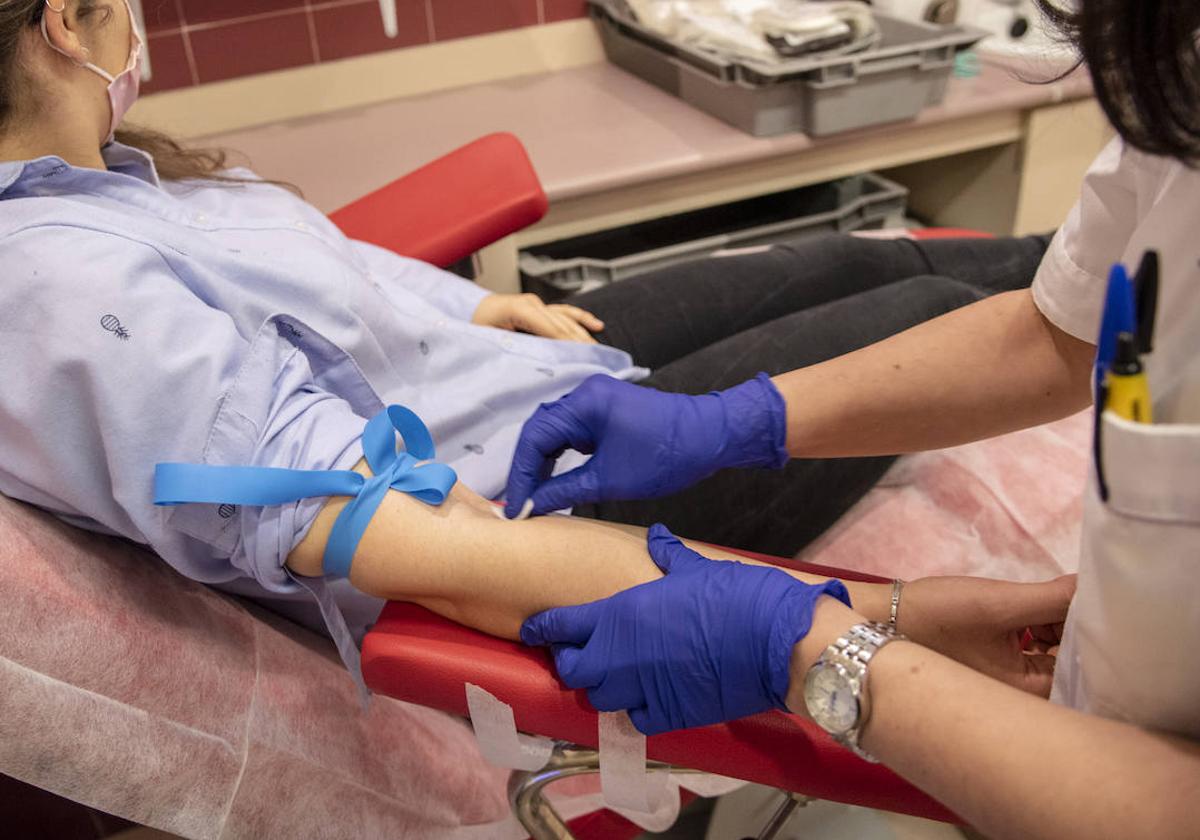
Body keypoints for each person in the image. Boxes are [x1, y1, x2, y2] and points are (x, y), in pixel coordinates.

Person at [0, 0, 1063, 654]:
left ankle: (1108, 257)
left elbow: (326, 265)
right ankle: (1141, 305)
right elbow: (397, 536)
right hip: (528, 486)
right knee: (935, 316)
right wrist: (847, 631)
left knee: (855, 256)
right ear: (62, 23)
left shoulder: (106, 180)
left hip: (495, 365)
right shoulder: (61, 291)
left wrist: (470, 302)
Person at [509, 1, 1200, 837]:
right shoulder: (1183, 93)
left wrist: (828, 653)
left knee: (918, 292)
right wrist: (733, 420)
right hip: (1099, 726)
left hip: (1104, 785)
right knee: (913, 282)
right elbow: (1056, 333)